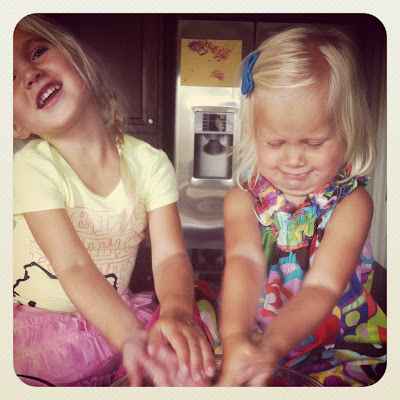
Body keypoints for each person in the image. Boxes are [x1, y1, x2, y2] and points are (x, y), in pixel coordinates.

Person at [13, 14, 216, 387]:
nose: (29, 74)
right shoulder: (29, 167)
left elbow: (170, 257)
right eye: (8, 78)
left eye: (38, 52)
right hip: (39, 331)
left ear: (83, 62)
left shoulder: (151, 164)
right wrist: (130, 336)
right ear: (15, 126)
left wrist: (175, 311)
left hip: (118, 311)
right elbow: (73, 266)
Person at [218, 26, 387, 386]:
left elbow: (322, 286)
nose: (294, 159)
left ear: (347, 132)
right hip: (253, 326)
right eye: (275, 143)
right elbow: (244, 264)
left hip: (333, 340)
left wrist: (272, 348)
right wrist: (234, 338)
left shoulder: (352, 204)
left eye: (314, 142)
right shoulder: (242, 200)